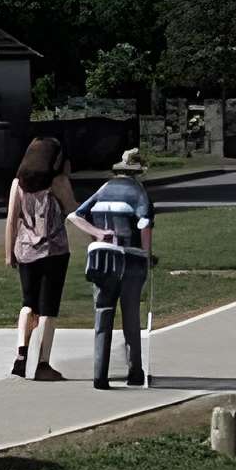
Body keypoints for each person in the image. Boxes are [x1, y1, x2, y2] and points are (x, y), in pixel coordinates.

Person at [76, 146, 157, 390]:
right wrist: (147, 255)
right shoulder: (138, 192)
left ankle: (100, 375)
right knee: (130, 316)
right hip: (130, 259)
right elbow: (144, 224)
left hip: (102, 260)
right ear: (138, 172)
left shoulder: (103, 190)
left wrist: (98, 234)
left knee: (103, 315)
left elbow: (76, 216)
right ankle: (135, 371)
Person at [5, 135, 76, 381]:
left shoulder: (18, 184)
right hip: (54, 252)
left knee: (28, 303)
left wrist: (8, 253)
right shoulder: (58, 182)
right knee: (48, 308)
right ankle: (43, 364)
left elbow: (11, 220)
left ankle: (20, 356)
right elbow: (73, 211)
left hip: (24, 250)